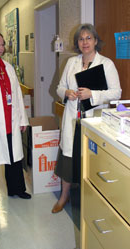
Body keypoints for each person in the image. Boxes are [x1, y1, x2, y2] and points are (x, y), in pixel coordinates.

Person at [52, 23, 122, 214]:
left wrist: (93, 94)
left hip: (94, 121)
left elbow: (116, 92)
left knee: (90, 160)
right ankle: (64, 196)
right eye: (81, 39)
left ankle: (90, 201)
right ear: (77, 43)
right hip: (72, 119)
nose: (85, 42)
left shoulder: (106, 64)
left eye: (88, 38)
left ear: (96, 41)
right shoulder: (71, 63)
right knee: (68, 158)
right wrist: (67, 92)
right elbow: (59, 87)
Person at [0, 30, 31, 210]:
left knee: (14, 157)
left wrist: (23, 119)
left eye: (2, 44)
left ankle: (16, 189)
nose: (2, 48)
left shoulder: (7, 67)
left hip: (11, 120)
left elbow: (17, 94)